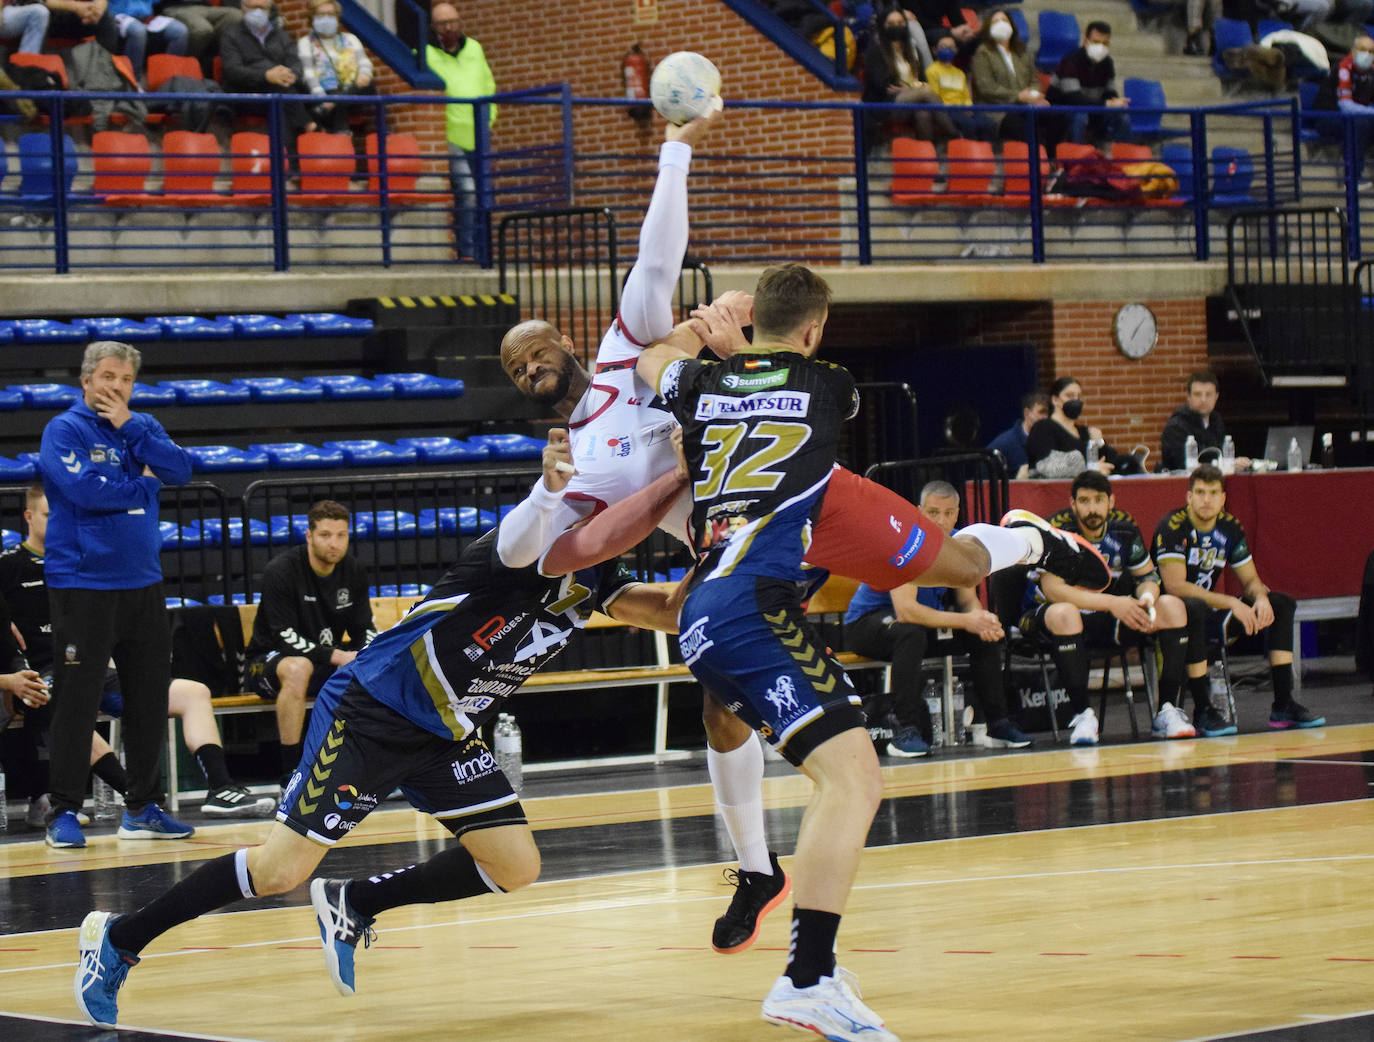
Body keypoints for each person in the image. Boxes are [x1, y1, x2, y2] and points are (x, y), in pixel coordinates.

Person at [498, 107, 1111, 967]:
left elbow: (656, 257)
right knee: (716, 701)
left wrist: (676, 147)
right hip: (735, 538)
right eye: (518, 369)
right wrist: (656, 480)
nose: (533, 366)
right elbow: (568, 553)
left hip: (805, 495)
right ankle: (755, 869)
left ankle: (1027, 545)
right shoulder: (570, 464)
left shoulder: (628, 347)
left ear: (564, 340)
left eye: (535, 348)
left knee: (960, 560)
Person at [72, 437, 689, 1030]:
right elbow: (537, 523)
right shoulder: (530, 545)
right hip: (372, 711)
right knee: (281, 872)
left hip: (445, 730)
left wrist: (727, 559)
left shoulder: (600, 579)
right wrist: (564, 490)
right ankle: (119, 939)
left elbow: (668, 611)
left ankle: (356, 903)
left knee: (515, 865)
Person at [635, 262, 901, 1040]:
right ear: (815, 330)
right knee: (853, 781)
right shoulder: (831, 384)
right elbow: (790, 385)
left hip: (704, 611)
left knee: (845, 776)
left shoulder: (702, 386)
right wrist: (745, 345)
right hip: (755, 602)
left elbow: (653, 356)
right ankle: (807, 977)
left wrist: (709, 332)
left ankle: (796, 939)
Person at [0, 485, 275, 824]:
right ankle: (137, 799)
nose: (58, 523)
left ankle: (221, 788)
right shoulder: (10, 565)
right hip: (43, 675)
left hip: (97, 668)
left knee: (194, 693)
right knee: (71, 706)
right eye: (48, 515)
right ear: (28, 517)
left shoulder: (85, 560)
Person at [37, 341, 194, 850]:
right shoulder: (64, 429)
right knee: (76, 702)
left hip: (143, 584)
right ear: (85, 380)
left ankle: (142, 808)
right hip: (83, 586)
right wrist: (144, 488)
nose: (116, 386)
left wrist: (131, 427)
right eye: (107, 376)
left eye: (125, 379)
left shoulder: (140, 426)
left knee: (148, 699)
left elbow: (182, 470)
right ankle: (63, 809)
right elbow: (89, 493)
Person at [846, 480, 1033, 758]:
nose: (941, 521)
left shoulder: (959, 543)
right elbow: (907, 611)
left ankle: (997, 723)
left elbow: (967, 600)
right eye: (933, 512)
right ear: (919, 511)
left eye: (948, 513)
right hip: (867, 624)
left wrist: (981, 619)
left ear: (957, 514)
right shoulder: (905, 542)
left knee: (981, 633)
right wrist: (967, 621)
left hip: (916, 626)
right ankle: (904, 731)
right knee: (910, 633)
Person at [1020, 470, 1196, 746]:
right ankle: (1083, 715)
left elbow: (1148, 577)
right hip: (1048, 617)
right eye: (1085, 501)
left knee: (1172, 607)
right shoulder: (1057, 530)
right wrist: (1115, 603)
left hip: (1107, 615)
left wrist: (1147, 602)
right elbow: (1054, 590)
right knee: (1064, 612)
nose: (1092, 508)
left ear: (1111, 502)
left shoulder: (1124, 528)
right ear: (1073, 503)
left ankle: (1167, 711)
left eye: (1098, 500)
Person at [1153, 463, 1323, 735]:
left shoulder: (1230, 527)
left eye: (1212, 493)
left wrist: (1259, 597)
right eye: (1199, 492)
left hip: (1213, 610)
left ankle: (1283, 703)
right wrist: (1231, 602)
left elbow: (1251, 579)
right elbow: (1175, 587)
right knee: (1194, 607)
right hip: (1174, 618)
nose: (1206, 499)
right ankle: (1204, 708)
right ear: (1188, 497)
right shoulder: (1173, 526)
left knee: (1281, 603)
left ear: (1223, 498)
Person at [244, 498, 375, 790]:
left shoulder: (353, 571)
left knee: (372, 667)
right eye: (326, 535)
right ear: (309, 536)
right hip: (266, 664)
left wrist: (363, 654)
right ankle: (291, 772)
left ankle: (366, 767)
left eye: (341, 535)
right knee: (298, 668)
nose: (334, 544)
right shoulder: (282, 570)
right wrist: (336, 655)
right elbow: (283, 635)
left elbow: (365, 628)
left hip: (320, 663)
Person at [425, 1, 495, 261]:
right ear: (434, 27)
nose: (450, 28)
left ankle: (483, 250)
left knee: (483, 193)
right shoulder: (427, 54)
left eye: (453, 22)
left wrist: (490, 119)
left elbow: (488, 84)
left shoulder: (474, 48)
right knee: (466, 190)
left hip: (479, 132)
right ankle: (467, 251)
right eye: (443, 24)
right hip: (450, 134)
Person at [861, 6, 956, 146]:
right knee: (926, 92)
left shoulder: (911, 48)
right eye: (891, 24)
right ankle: (954, 135)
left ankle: (928, 154)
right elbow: (884, 85)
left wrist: (911, 88)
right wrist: (914, 87)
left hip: (913, 98)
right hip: (885, 103)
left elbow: (922, 77)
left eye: (900, 23)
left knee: (923, 113)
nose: (897, 27)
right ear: (883, 26)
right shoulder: (876, 50)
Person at [220, 0, 314, 138]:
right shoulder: (230, 35)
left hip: (279, 91)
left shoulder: (281, 35)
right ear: (243, 8)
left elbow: (295, 62)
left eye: (263, 8)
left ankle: (287, 153)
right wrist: (266, 76)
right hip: (245, 93)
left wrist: (292, 75)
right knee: (279, 90)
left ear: (270, 10)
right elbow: (233, 71)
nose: (258, 12)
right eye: (254, 7)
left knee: (281, 95)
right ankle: (309, 125)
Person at [1025, 376, 1129, 478]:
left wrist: (1099, 443)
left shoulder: (1086, 432)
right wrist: (1090, 468)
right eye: (1069, 396)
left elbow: (1111, 460)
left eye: (1078, 396)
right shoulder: (1043, 428)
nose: (1075, 400)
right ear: (1055, 400)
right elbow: (1046, 466)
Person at [970, 9, 1048, 143]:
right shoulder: (983, 53)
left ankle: (1053, 160)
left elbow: (1035, 80)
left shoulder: (1022, 51)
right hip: (998, 109)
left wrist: (1033, 96)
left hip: (1026, 104)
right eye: (996, 21)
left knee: (1056, 116)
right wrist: (1018, 96)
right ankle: (1037, 161)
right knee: (1021, 126)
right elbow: (987, 88)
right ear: (988, 27)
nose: (1001, 24)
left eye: (1004, 20)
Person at [296, 0, 374, 135]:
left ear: (337, 18)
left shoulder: (350, 39)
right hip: (323, 93)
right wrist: (322, 98)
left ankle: (380, 134)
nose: (326, 18)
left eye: (330, 14)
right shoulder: (305, 43)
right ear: (312, 18)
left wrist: (364, 74)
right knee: (339, 99)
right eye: (321, 15)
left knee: (369, 85)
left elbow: (364, 63)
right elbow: (308, 74)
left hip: (353, 89)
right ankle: (341, 131)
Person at [1046, 21, 1129, 146]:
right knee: (1080, 115)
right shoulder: (1070, 61)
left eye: (1104, 43)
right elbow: (1074, 99)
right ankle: (1078, 159)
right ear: (1085, 41)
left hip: (1093, 108)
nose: (1100, 47)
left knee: (1122, 117)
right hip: (1061, 111)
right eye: (1096, 42)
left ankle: (1122, 161)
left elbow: (1110, 91)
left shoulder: (1108, 63)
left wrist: (1116, 101)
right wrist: (1106, 104)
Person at [1160, 370, 1251, 473]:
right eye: (1198, 394)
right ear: (1188, 397)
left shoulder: (1216, 421)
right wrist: (1226, 467)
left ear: (1216, 397)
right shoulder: (1175, 427)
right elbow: (1187, 466)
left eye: (1208, 394)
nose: (1203, 399)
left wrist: (1236, 464)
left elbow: (1221, 457)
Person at [1315, 34, 1374, 188]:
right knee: (1358, 124)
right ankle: (1353, 178)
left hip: (1358, 117)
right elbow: (1345, 106)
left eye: (1371, 51)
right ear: (1353, 50)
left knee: (1362, 122)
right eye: (1363, 49)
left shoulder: (1371, 71)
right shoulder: (1342, 68)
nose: (1367, 54)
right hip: (1327, 117)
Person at [924, 33, 996, 141]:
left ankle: (987, 153)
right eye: (943, 47)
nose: (947, 49)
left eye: (951, 47)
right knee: (969, 125)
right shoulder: (931, 71)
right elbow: (935, 95)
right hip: (947, 110)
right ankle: (968, 153)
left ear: (956, 50)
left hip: (963, 108)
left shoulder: (959, 73)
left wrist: (968, 107)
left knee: (989, 124)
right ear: (935, 50)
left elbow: (965, 95)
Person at [105, 0, 188, 79]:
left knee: (179, 31)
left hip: (146, 16)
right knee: (138, 31)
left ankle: (168, 81)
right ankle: (132, 80)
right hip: (119, 14)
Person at [986, 389, 1051, 478]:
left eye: (1049, 413)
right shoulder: (1003, 444)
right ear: (1027, 413)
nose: (1046, 417)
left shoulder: (1054, 440)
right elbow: (986, 482)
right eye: (1041, 412)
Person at [154, 0, 240, 67]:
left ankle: (212, 62)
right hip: (176, 7)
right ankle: (188, 64)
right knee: (202, 29)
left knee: (235, 15)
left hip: (203, 6)